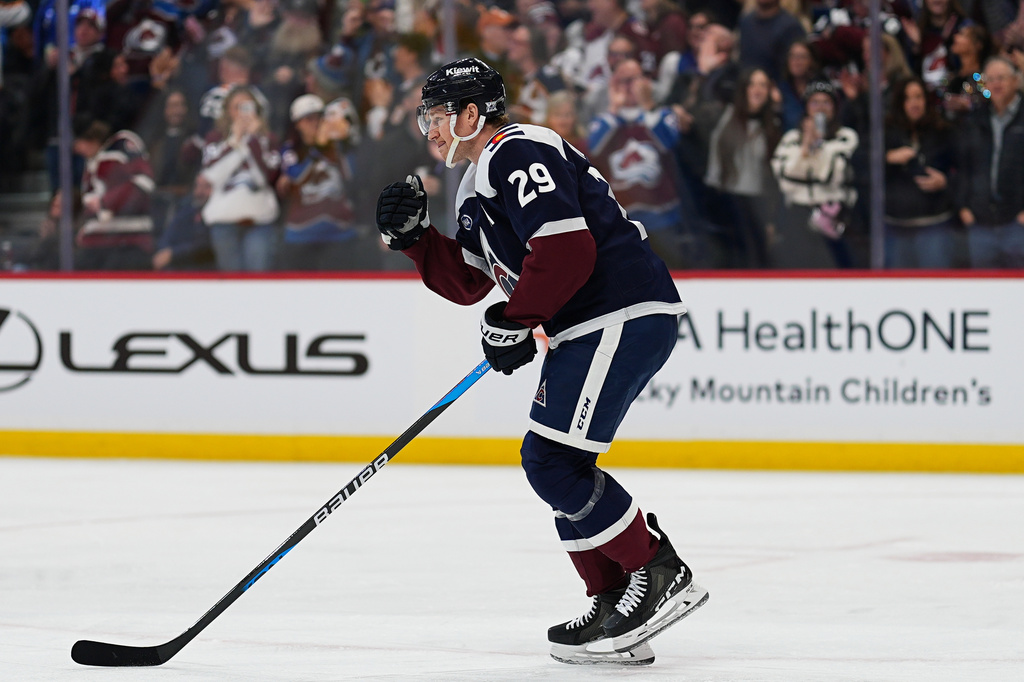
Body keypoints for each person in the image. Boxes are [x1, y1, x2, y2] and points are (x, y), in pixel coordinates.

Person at [373, 57, 708, 666]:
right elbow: (474, 284)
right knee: (553, 462)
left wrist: (517, 320)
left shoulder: (517, 151)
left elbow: (566, 249)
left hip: (618, 312)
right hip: (586, 324)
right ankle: (612, 597)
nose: (431, 130)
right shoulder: (475, 187)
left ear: (473, 113)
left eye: (439, 116)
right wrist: (418, 241)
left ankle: (656, 570)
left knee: (550, 460)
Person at [771, 79, 859, 268]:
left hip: (834, 216)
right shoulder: (791, 139)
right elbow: (785, 178)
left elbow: (831, 175)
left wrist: (818, 147)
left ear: (835, 107)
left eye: (826, 102)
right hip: (798, 217)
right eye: (814, 102)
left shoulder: (846, 137)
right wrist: (805, 148)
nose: (820, 108)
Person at [704, 68, 782, 268]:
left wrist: (772, 219)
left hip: (758, 205)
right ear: (743, 89)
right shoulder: (724, 115)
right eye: (752, 84)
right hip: (725, 200)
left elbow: (775, 176)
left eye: (763, 85)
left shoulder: (773, 125)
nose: (757, 89)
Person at [198, 85, 281, 271]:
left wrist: (253, 140)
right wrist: (234, 142)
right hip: (224, 220)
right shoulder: (214, 139)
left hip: (259, 220)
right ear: (228, 111)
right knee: (231, 283)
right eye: (237, 107)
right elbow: (211, 176)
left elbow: (266, 179)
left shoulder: (268, 139)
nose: (242, 113)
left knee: (257, 280)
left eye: (247, 106)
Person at [954, 57, 1024, 268]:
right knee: (984, 289)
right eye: (990, 79)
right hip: (980, 223)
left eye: (1001, 78)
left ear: (1015, 80)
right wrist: (963, 206)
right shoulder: (975, 120)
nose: (996, 84)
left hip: (1017, 223)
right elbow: (964, 166)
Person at [883, 77, 957, 268]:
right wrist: (887, 158)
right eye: (907, 98)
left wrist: (946, 181)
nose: (914, 103)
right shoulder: (886, 132)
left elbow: (965, 169)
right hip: (897, 226)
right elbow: (864, 166)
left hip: (934, 224)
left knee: (936, 287)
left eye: (918, 97)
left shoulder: (943, 131)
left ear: (926, 100)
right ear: (900, 103)